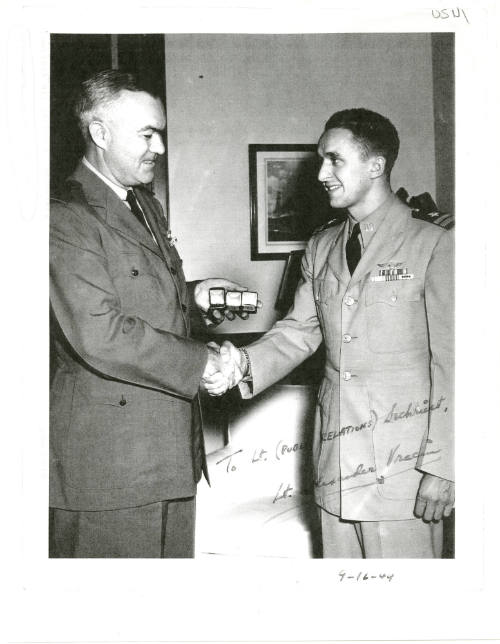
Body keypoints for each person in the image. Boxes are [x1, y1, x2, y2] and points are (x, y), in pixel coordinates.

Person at [206, 108, 454, 558]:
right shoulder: (322, 246)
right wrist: (240, 363)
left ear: (376, 166)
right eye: (322, 160)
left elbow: (457, 363)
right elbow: (298, 332)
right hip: (335, 466)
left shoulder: (434, 243)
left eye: (334, 160)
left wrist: (447, 466)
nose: (322, 173)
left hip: (403, 472)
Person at [49, 70, 244, 558]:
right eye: (146, 134)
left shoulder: (143, 204)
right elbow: (100, 333)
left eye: (161, 133)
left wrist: (195, 295)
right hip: (109, 462)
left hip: (170, 449)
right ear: (99, 133)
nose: (158, 146)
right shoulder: (65, 215)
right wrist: (202, 363)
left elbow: (138, 294)